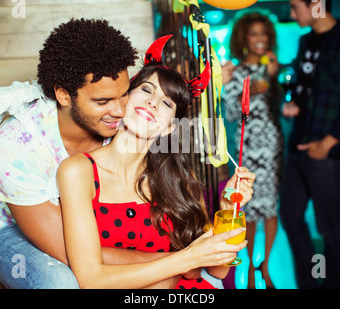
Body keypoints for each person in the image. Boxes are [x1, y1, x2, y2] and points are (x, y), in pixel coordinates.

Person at [0, 19, 255, 289]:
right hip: (16, 227)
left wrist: (228, 211)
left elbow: (214, 270)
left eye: (166, 103)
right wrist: (183, 261)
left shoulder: (173, 176)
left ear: (171, 127)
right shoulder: (32, 150)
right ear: (64, 95)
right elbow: (85, 270)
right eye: (145, 90)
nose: (118, 110)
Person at [280, 0, 340, 289]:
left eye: (295, 7)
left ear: (316, 4)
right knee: (290, 217)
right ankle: (311, 282)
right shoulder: (305, 42)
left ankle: (330, 282)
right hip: (299, 145)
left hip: (326, 151)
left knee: (331, 228)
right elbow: (307, 89)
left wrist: (329, 141)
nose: (292, 15)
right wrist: (294, 104)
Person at [222, 12, 284, 289]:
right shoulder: (235, 72)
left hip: (270, 145)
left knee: (269, 207)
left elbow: (282, 109)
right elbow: (232, 114)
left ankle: (267, 266)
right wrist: (243, 94)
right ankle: (247, 269)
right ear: (243, 39)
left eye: (264, 33)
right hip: (245, 147)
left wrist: (271, 80)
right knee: (246, 207)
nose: (261, 39)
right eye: (254, 34)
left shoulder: (274, 67)